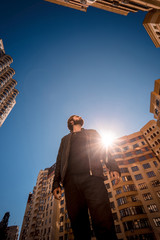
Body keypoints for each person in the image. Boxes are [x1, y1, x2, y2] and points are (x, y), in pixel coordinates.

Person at [52, 115, 121, 240]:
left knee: (103, 219)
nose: (80, 116)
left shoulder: (92, 133)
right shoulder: (65, 139)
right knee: (78, 225)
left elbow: (103, 150)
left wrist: (113, 167)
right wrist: (56, 183)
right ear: (71, 122)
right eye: (76, 116)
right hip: (71, 183)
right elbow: (60, 160)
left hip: (93, 178)